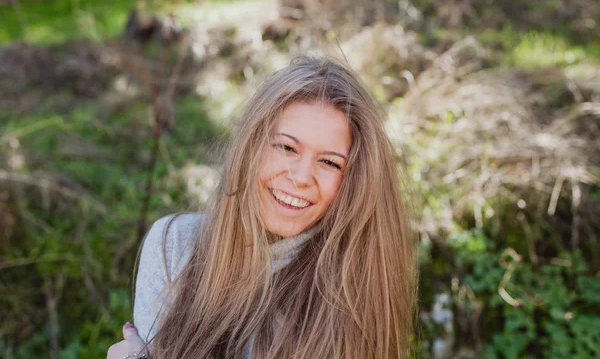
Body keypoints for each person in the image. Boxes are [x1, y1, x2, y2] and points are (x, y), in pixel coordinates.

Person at [107, 55, 418, 359]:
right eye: (286, 147)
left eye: (329, 162)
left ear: (353, 179)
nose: (300, 177)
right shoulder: (175, 245)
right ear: (252, 146)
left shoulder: (353, 285)